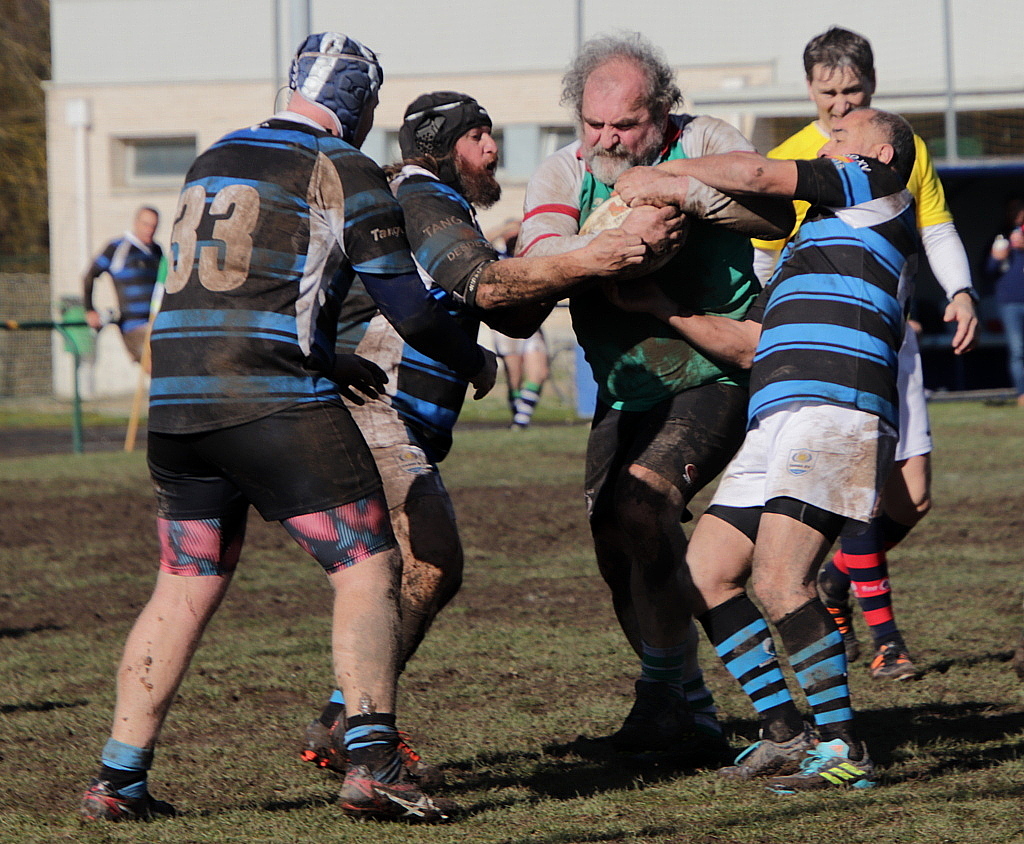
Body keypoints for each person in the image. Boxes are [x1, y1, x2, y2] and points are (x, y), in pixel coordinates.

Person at [78, 34, 505, 825]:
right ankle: (373, 761)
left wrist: (325, 354)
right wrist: (473, 358)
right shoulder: (344, 169)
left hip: (177, 402)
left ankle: (118, 778)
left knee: (184, 583)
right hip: (265, 400)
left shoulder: (215, 156)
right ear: (363, 105)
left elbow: (234, 285)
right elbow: (409, 308)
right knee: (368, 565)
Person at [301, 91, 651, 780]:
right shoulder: (421, 195)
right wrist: (592, 254)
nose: (493, 150)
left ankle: (346, 724)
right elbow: (488, 289)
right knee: (429, 561)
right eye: (479, 136)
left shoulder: (442, 206)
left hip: (399, 422)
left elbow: (513, 317)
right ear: (442, 145)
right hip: (379, 409)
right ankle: (358, 739)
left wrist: (562, 251)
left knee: (413, 569)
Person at [617, 104, 920, 791]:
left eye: (840, 133)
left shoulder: (873, 181)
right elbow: (752, 344)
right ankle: (786, 733)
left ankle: (844, 750)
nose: (828, 138)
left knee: (781, 582)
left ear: (877, 149)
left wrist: (662, 177)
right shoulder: (815, 240)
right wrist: (662, 309)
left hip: (834, 408)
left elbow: (755, 171)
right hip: (778, 417)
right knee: (705, 574)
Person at [517, 32, 793, 759]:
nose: (608, 138)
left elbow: (774, 217)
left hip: (711, 369)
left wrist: (679, 190)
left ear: (662, 113)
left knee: (644, 506)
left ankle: (706, 705)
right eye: (594, 123)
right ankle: (683, 708)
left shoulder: (705, 139)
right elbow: (540, 258)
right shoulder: (562, 171)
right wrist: (607, 243)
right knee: (616, 541)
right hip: (626, 382)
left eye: (626, 125)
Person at [753, 27, 979, 682]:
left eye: (853, 91)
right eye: (828, 93)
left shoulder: (901, 145)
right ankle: (887, 640)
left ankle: (832, 583)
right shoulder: (800, 155)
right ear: (809, 90)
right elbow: (763, 252)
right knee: (860, 495)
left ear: (871, 87)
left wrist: (960, 290)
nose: (840, 106)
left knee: (914, 499)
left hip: (895, 339)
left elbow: (933, 225)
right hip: (834, 352)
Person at [486, 220, 551, 429]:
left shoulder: (532, 257)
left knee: (539, 371)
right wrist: (505, 228)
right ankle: (518, 421)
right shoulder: (498, 257)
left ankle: (520, 422)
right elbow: (480, 242)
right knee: (514, 375)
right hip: (506, 323)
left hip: (532, 320)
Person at [82, 206, 163, 368]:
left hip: (157, 323)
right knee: (158, 368)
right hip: (133, 326)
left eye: (153, 226)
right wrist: (89, 309)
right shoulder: (118, 247)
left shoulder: (157, 251)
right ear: (136, 223)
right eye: (146, 225)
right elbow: (89, 276)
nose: (149, 230)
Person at [986, 199, 1024, 407]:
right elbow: (987, 271)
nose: (1017, 213)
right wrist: (997, 257)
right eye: (1013, 209)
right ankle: (1022, 394)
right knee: (1018, 350)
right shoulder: (1000, 236)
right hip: (1010, 302)